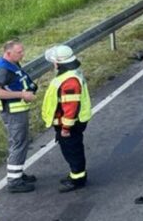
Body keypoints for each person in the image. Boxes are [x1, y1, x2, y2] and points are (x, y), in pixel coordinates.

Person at [42, 45, 91, 192]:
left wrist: (65, 128)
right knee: (71, 149)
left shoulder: (69, 81)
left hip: (69, 124)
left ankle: (77, 180)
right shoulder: (70, 75)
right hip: (69, 122)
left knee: (72, 150)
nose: (53, 64)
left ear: (59, 62)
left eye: (54, 62)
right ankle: (75, 175)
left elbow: (70, 108)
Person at [0, 40, 38, 193]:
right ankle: (14, 181)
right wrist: (22, 94)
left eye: (22, 51)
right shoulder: (3, 69)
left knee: (21, 142)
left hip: (17, 111)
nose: (23, 54)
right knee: (18, 143)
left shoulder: (10, 63)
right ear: (8, 53)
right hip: (13, 112)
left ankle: (17, 173)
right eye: (19, 52)